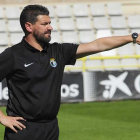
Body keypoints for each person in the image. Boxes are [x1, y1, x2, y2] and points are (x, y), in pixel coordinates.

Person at [0, 4, 139, 140]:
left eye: (50, 23)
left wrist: (132, 38)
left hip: (51, 128)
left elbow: (98, 45)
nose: (50, 27)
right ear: (29, 26)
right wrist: (2, 118)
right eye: (44, 24)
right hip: (23, 130)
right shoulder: (13, 55)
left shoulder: (58, 51)